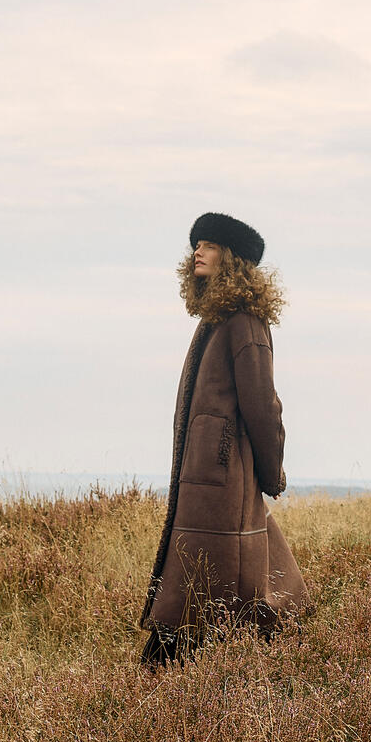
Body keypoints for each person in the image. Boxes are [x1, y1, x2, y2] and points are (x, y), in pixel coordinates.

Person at [140, 211, 311, 667]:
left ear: (232, 259)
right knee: (205, 579)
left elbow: (263, 406)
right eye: (196, 243)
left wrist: (271, 473)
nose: (197, 250)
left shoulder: (245, 323)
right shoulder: (215, 319)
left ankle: (177, 672)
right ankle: (180, 670)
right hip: (207, 481)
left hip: (223, 479)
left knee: (218, 581)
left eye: (210, 245)